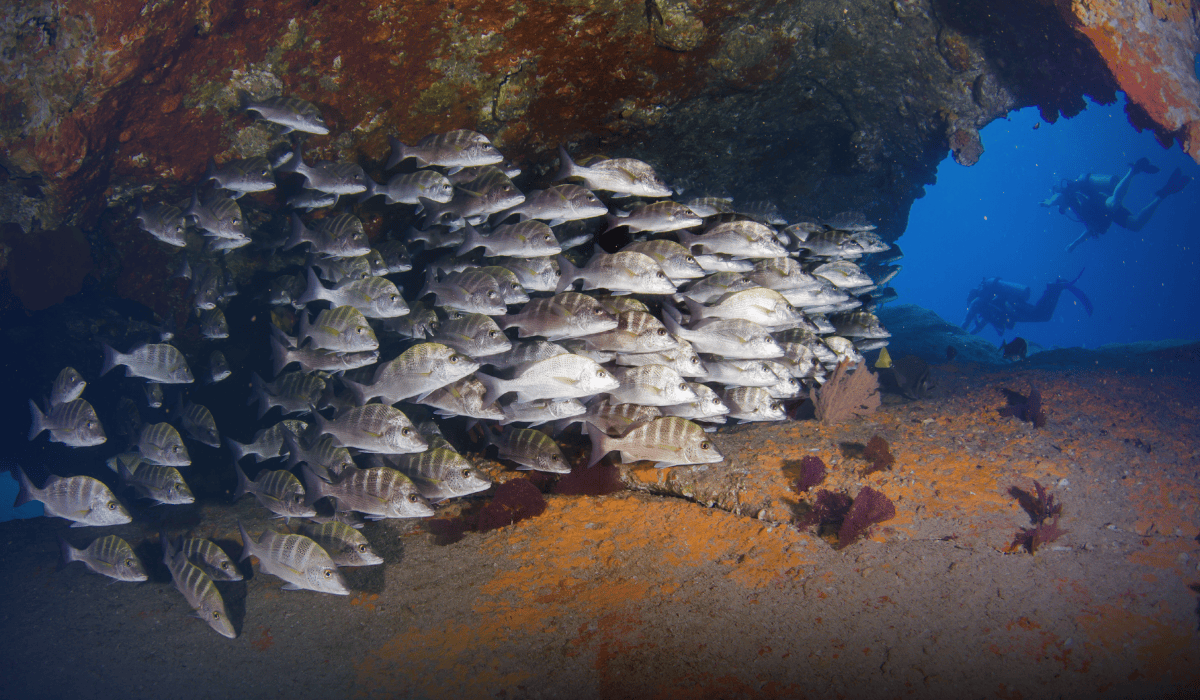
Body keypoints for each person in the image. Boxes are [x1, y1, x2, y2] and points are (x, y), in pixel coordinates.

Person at [1042, 158, 1191, 252]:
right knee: (1135, 225)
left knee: (1112, 204)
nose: (1062, 209)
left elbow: (1057, 198)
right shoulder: (1076, 209)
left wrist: (1048, 203)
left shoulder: (1070, 193)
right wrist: (1074, 244)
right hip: (1104, 213)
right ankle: (1164, 194)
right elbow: (1090, 229)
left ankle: (1134, 169)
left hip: (1099, 200)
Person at [962, 272, 1092, 336]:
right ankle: (1055, 288)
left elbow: (965, 323)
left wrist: (959, 336)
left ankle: (1055, 287)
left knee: (1040, 314)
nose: (971, 308)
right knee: (1043, 315)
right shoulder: (986, 307)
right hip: (1013, 310)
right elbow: (978, 327)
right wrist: (968, 337)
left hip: (1012, 307)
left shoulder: (977, 303)